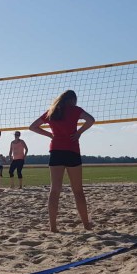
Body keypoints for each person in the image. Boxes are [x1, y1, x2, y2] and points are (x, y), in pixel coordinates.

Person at [29, 90, 94, 232]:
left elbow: (32, 127)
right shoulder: (75, 110)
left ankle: (53, 227)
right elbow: (91, 120)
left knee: (54, 190)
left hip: (56, 151)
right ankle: (86, 225)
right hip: (72, 150)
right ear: (72, 100)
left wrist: (50, 135)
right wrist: (78, 133)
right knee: (78, 191)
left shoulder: (52, 111)